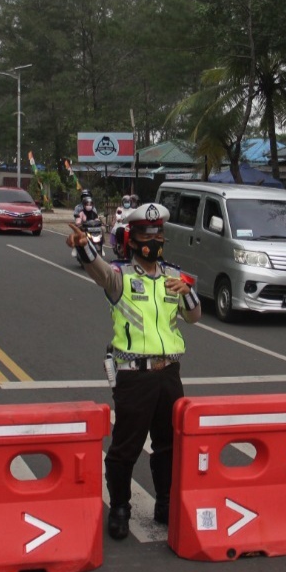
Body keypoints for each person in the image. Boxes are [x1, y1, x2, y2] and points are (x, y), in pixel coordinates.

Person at [66, 202, 202, 540]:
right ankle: (122, 508)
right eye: (146, 233)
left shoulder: (174, 276)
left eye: (159, 234)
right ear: (133, 237)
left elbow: (194, 317)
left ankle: (166, 503)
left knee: (168, 445)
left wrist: (189, 293)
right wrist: (85, 247)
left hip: (169, 372)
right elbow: (97, 270)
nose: (154, 239)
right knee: (126, 446)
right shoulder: (120, 276)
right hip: (133, 374)